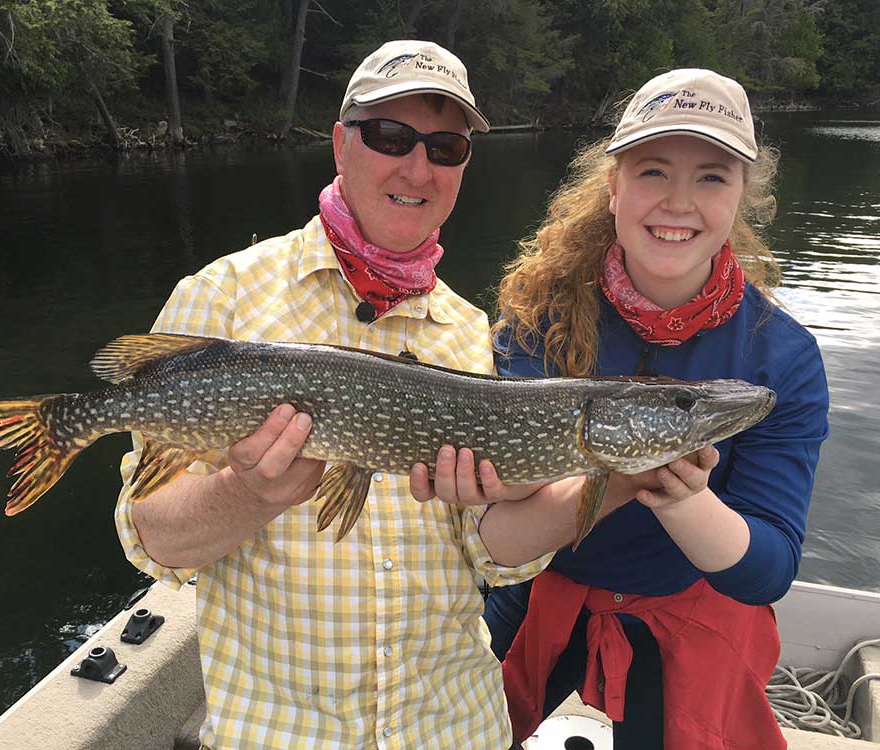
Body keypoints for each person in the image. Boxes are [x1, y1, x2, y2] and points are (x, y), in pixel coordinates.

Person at [113, 40, 652, 750]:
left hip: (455, 727)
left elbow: (490, 554)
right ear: (341, 146)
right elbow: (149, 536)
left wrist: (614, 485)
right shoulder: (223, 296)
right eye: (390, 137)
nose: (417, 167)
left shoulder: (467, 331)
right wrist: (250, 493)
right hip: (284, 734)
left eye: (446, 147)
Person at [422, 69, 830, 749]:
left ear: (741, 199)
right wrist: (601, 480)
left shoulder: (781, 359)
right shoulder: (540, 314)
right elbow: (497, 530)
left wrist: (676, 497)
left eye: (711, 177)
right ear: (612, 188)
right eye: (652, 172)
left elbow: (765, 571)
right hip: (544, 584)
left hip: (687, 610)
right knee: (451, 735)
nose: (678, 202)